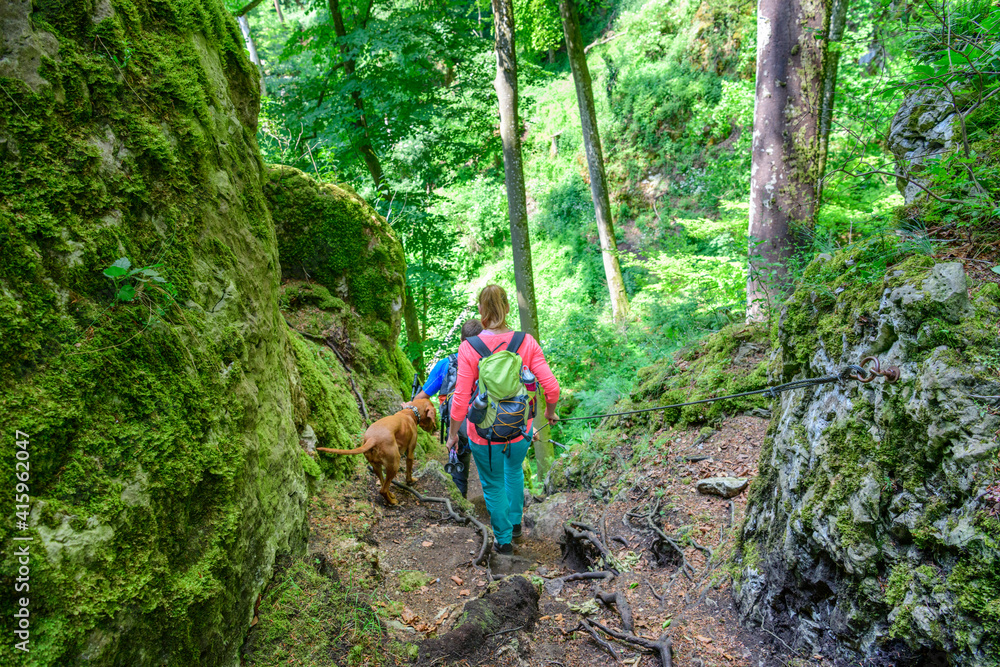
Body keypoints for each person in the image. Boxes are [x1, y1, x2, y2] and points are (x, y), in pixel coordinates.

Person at [447, 285, 559, 555]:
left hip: (484, 434)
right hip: (520, 428)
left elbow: (461, 399)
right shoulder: (526, 342)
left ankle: (504, 542)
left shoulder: (469, 348)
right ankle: (516, 525)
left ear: (480, 311)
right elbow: (551, 387)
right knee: (514, 471)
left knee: (493, 483)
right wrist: (549, 412)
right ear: (508, 307)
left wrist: (452, 435)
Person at [414, 318, 484, 497]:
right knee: (492, 470)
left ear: (461, 340)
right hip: (488, 426)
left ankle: (462, 507)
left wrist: (411, 401)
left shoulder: (446, 364)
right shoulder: (491, 362)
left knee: (459, 469)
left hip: (458, 428)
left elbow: (422, 397)